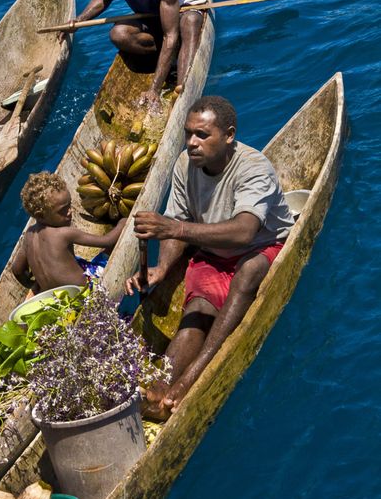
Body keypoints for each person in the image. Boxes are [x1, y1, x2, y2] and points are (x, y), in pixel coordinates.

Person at [125, 96, 294, 419]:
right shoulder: (184, 166)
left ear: (229, 135)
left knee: (248, 273)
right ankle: (162, 386)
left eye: (202, 135)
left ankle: (191, 378)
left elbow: (245, 232)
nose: (192, 143)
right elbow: (178, 220)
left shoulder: (253, 168)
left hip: (260, 246)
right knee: (198, 311)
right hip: (214, 253)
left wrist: (174, 227)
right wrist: (162, 268)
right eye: (188, 133)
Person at [60, 0, 206, 113]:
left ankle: (183, 90)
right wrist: (78, 20)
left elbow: (171, 35)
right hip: (154, 18)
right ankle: (170, 55)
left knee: (189, 22)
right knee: (118, 34)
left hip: (184, 12)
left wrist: (154, 89)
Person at [11, 171, 126, 292]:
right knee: (109, 249)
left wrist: (33, 285)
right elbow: (107, 240)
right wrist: (122, 222)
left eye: (70, 205)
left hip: (57, 299)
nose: (70, 211)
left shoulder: (29, 235)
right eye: (63, 210)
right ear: (40, 216)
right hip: (85, 293)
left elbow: (17, 269)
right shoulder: (65, 233)